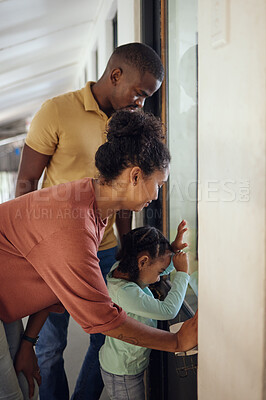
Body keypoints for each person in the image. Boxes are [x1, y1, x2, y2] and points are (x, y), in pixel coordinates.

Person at [0, 110, 198, 400]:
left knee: (23, 384)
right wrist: (177, 341)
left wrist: (29, 342)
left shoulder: (89, 200)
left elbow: (55, 281)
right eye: (159, 184)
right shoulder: (74, 224)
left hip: (8, 300)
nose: (156, 195)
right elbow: (103, 318)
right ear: (134, 175)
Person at [15, 42, 165, 400]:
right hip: (54, 249)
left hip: (105, 248)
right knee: (50, 345)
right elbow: (26, 182)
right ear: (115, 75)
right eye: (139, 93)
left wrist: (127, 248)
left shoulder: (129, 126)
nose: (140, 102)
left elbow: (128, 193)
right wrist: (30, 248)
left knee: (107, 335)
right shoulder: (57, 111)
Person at [99, 222, 190, 400]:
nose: (159, 277)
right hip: (123, 373)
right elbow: (168, 310)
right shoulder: (125, 293)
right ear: (142, 261)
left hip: (125, 365)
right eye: (160, 272)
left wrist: (171, 250)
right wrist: (182, 274)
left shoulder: (122, 270)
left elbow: (150, 268)